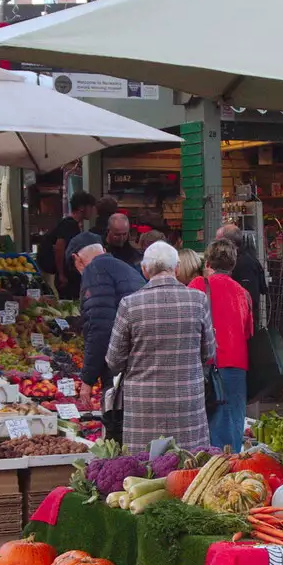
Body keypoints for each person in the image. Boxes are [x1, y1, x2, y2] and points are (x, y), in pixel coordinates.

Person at [106, 241, 216, 452]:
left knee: (144, 469)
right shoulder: (197, 300)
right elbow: (209, 352)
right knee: (189, 467)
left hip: (143, 406)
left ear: (145, 270)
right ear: (176, 269)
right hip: (187, 401)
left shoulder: (130, 304)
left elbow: (114, 361)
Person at [193, 240, 253, 451]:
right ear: (232, 265)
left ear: (208, 261)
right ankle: (232, 468)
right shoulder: (243, 293)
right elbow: (247, 332)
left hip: (207, 363)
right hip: (237, 364)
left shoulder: (199, 285)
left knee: (205, 423)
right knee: (233, 423)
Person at [76, 233, 147, 389]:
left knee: (116, 410)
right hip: (140, 359)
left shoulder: (94, 270)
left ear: (77, 259)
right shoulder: (124, 268)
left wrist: (88, 379)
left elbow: (99, 328)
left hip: (119, 363)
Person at [41, 190, 96, 299]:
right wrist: (61, 274)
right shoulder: (70, 225)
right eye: (90, 206)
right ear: (81, 207)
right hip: (65, 277)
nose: (92, 210)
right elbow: (59, 248)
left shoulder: (69, 224)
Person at [217, 224, 267, 324]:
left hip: (243, 323)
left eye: (218, 241)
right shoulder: (242, 259)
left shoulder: (243, 263)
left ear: (227, 242)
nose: (216, 245)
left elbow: (247, 298)